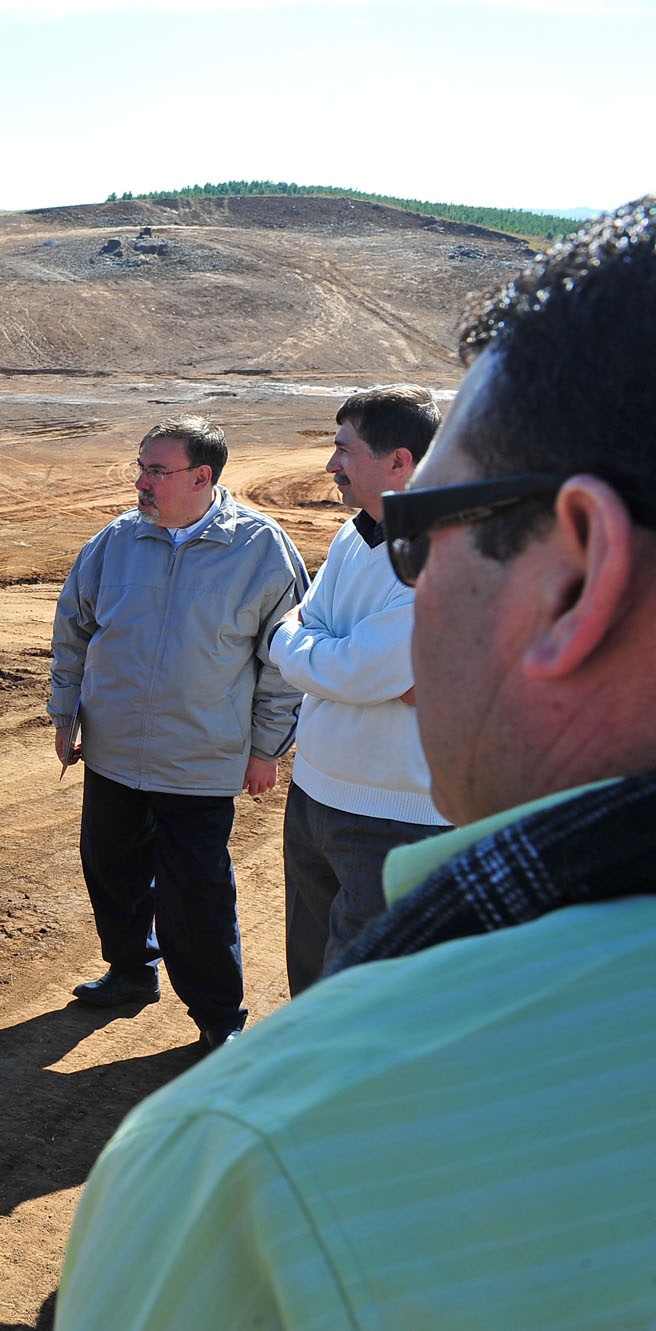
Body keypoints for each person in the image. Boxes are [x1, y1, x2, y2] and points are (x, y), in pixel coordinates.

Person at [57, 197, 656, 1328]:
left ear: (574, 577)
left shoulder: (248, 1164)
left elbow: (316, 649)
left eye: (427, 529)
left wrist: (299, 674)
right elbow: (309, 648)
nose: (408, 568)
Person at [50, 415, 307, 1048]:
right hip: (112, 752)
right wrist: (65, 710)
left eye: (156, 471)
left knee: (196, 896)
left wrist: (266, 748)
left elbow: (285, 660)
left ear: (202, 476)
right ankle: (132, 971)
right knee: (110, 868)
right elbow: (75, 625)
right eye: (140, 467)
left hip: (201, 760)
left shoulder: (261, 550)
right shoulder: (116, 541)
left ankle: (219, 1021)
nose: (141, 482)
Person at [267, 386, 447, 993]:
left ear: (399, 461)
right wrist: (341, 660)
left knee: (364, 1000)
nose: (330, 465)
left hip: (395, 822)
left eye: (344, 450)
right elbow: (300, 635)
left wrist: (321, 655)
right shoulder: (356, 533)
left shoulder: (443, 550)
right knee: (311, 980)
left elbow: (355, 667)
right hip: (315, 796)